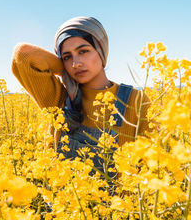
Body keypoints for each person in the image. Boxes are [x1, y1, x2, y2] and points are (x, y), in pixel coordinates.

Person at [11, 16, 150, 179]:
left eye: (83, 51)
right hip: (62, 202)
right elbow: (24, 56)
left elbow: (151, 163)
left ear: (101, 51)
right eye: (67, 57)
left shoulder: (135, 99)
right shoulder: (59, 99)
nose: (75, 63)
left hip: (119, 204)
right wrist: (63, 69)